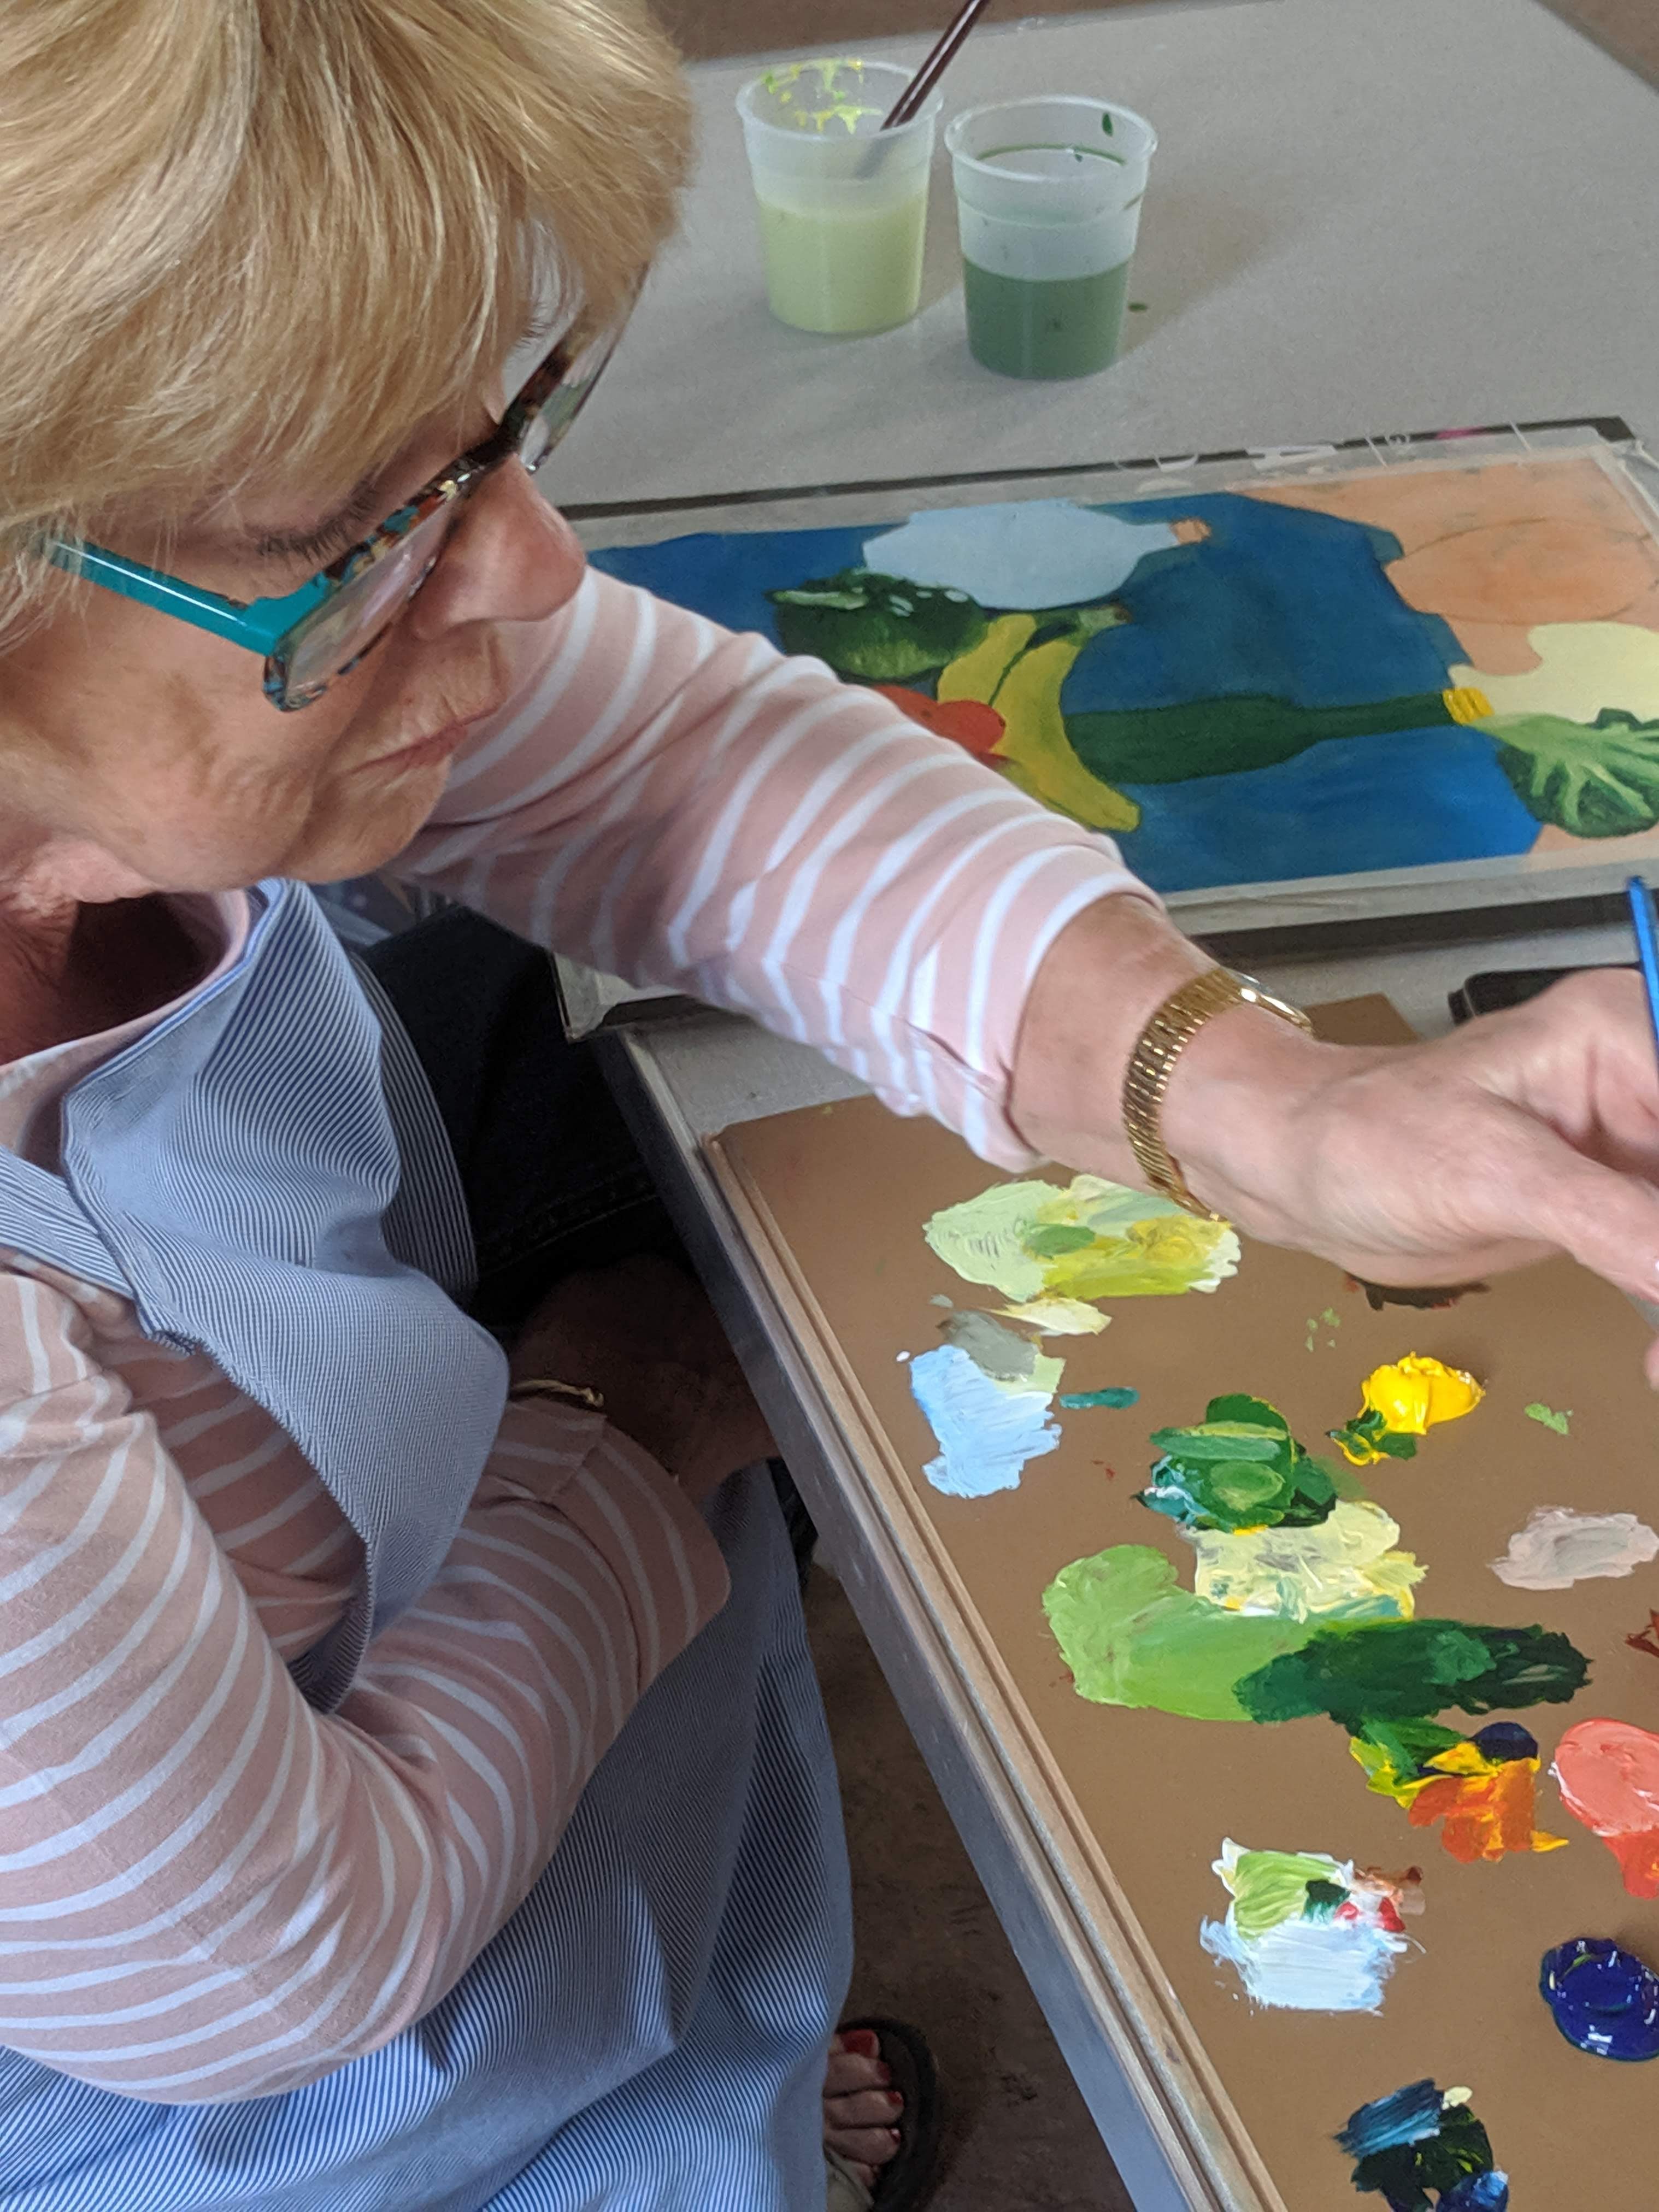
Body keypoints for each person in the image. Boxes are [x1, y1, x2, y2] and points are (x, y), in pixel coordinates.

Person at [2, 5, 1659, 2210]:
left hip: (402, 1635)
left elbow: (677, 761)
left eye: (497, 432)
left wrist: (1267, 1107)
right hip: (266, 2074)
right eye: (367, 527)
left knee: (708, 1943)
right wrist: (619, 1430)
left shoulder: (150, 716)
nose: (531, 562)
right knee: (596, 2108)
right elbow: (281, 1958)